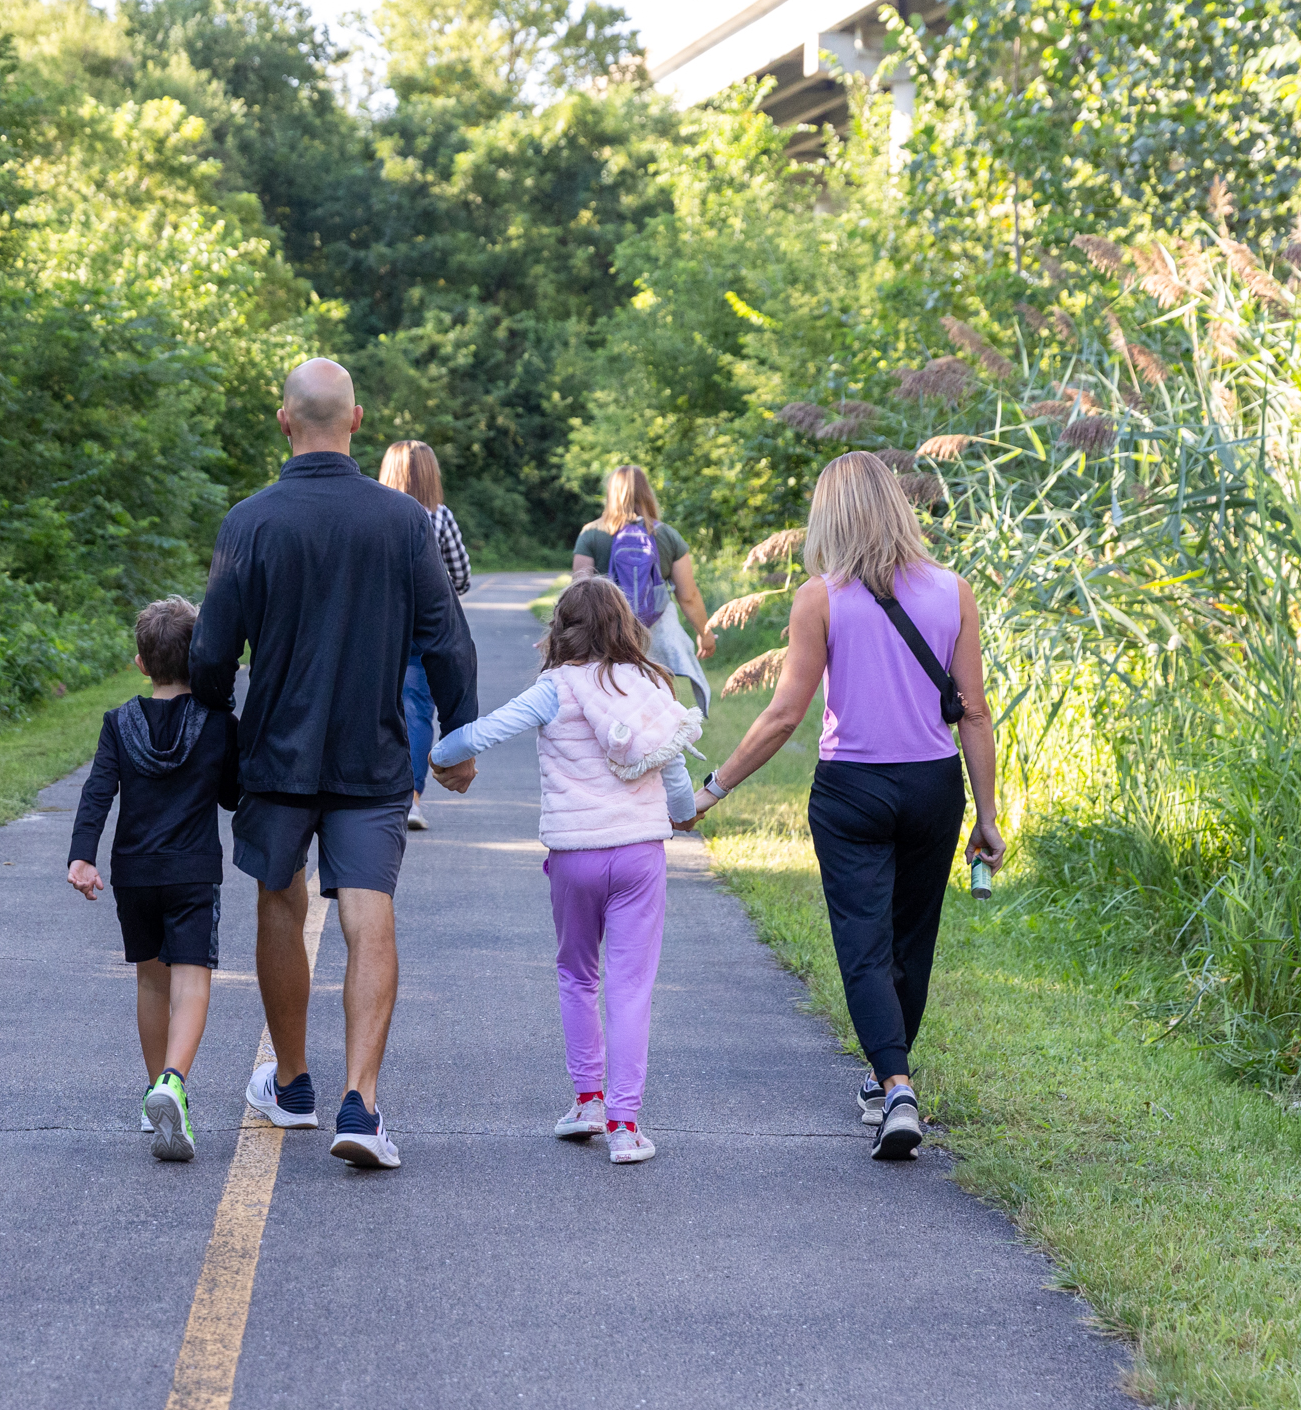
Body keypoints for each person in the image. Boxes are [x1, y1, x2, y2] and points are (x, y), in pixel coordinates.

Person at [191, 358, 478, 1170]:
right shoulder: (401, 523)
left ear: (285, 421)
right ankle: (364, 1102)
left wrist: (217, 716)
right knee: (368, 913)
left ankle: (291, 1085)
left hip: (275, 754)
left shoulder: (250, 522)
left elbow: (212, 651)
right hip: (372, 754)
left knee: (279, 907)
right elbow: (446, 638)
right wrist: (456, 740)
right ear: (356, 422)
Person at [687, 452, 1006, 1160]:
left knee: (864, 945)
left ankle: (894, 1085)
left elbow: (781, 717)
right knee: (909, 943)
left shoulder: (820, 597)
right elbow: (975, 713)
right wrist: (988, 815)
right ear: (897, 506)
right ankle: (884, 1080)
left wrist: (712, 790)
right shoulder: (955, 590)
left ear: (828, 516)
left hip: (851, 791)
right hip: (931, 786)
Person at [428, 579, 699, 1164]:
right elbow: (675, 780)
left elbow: (483, 733)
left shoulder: (554, 687)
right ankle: (626, 1128)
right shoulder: (651, 686)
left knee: (578, 976)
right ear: (625, 625)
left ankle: (588, 1102)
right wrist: (681, 815)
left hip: (574, 857)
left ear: (561, 628)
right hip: (639, 857)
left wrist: (440, 755)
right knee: (631, 987)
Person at [67, 597, 241, 1164]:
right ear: (199, 662)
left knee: (150, 981)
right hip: (191, 871)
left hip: (134, 873)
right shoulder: (217, 725)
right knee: (193, 980)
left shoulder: (118, 723)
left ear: (140, 664)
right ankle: (174, 1081)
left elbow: (98, 791)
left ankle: (154, 1097)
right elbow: (232, 797)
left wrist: (81, 855)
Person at [376, 439, 471, 833]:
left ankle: (372, 788)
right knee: (416, 710)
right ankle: (411, 799)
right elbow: (462, 577)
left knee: (375, 701)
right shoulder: (439, 516)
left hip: (377, 624)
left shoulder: (373, 514)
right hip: (424, 627)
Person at [571, 465, 717, 709]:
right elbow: (688, 596)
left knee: (610, 709)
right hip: (655, 639)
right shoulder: (667, 536)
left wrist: (563, 636)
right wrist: (706, 634)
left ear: (611, 494)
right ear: (647, 493)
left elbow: (579, 595)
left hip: (606, 640)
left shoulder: (591, 534)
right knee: (656, 712)